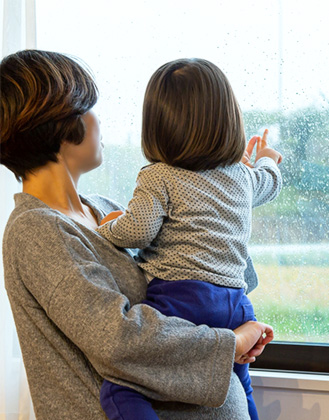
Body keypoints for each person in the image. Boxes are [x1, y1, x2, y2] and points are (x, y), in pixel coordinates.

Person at [0, 49, 274, 420]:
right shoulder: (36, 230)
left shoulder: (104, 209)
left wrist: (216, 186)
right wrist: (231, 343)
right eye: (90, 108)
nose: (99, 121)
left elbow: (231, 272)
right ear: (64, 125)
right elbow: (117, 338)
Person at [96, 58, 283, 420]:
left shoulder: (159, 176)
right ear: (229, 120)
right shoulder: (241, 177)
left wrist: (105, 226)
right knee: (240, 386)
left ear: (157, 125)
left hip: (183, 300)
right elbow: (270, 183)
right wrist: (269, 160)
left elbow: (138, 231)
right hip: (235, 304)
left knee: (120, 386)